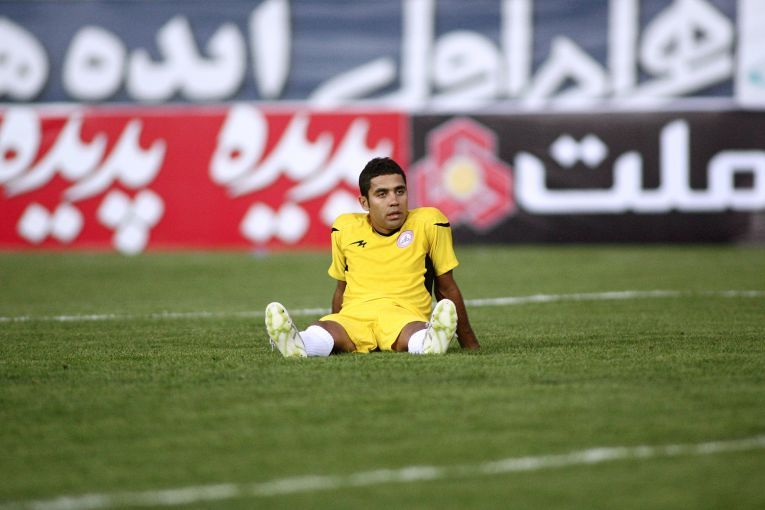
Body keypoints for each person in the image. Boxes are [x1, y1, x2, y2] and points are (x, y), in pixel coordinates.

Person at [265, 156, 480, 356]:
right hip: (354, 317)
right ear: (364, 203)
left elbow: (446, 287)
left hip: (404, 317)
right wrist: (336, 321)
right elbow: (341, 288)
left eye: (400, 191)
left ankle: (429, 341)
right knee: (323, 328)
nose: (394, 201)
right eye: (382, 194)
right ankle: (299, 343)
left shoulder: (429, 222)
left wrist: (470, 344)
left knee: (415, 332)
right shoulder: (344, 228)